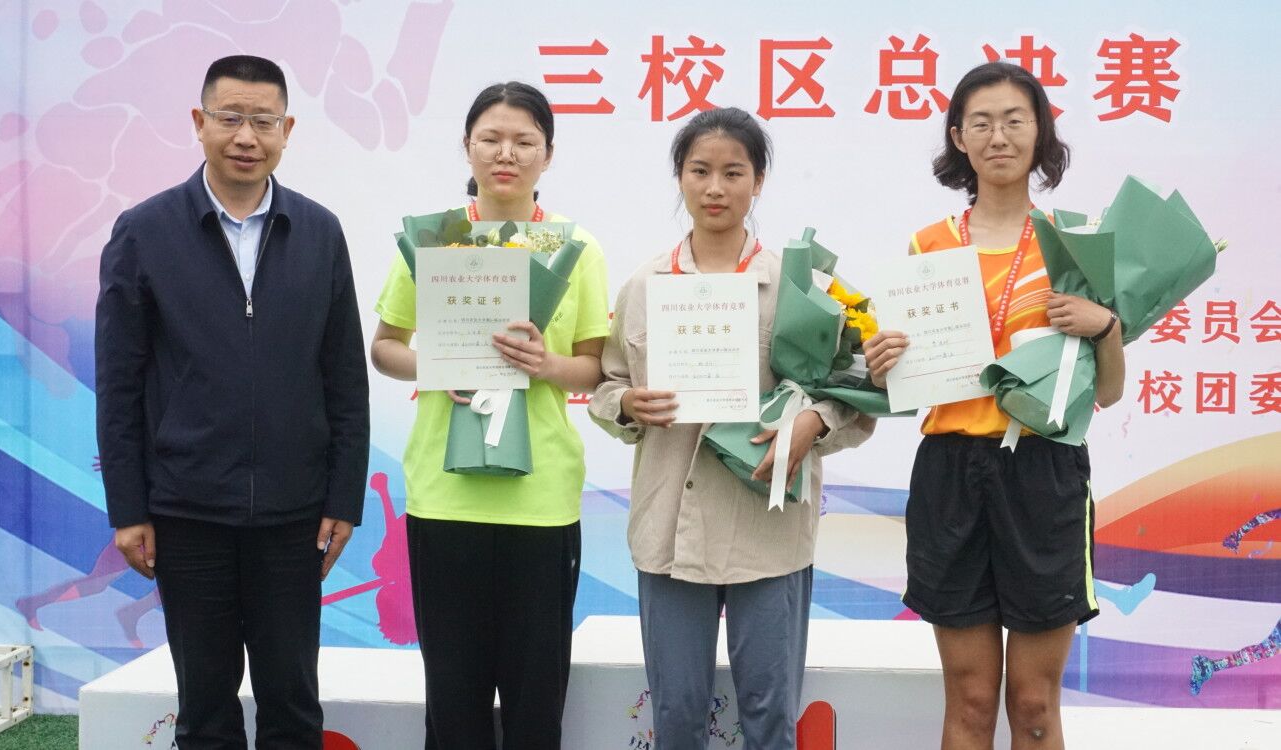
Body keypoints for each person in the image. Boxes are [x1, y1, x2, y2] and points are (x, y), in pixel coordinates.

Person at [95, 54, 370, 749]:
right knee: (205, 710)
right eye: (230, 118)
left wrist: (344, 498)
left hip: (294, 516)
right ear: (200, 122)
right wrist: (129, 509)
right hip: (187, 513)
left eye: (264, 122)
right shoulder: (145, 231)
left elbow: (344, 378)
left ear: (287, 131)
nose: (247, 136)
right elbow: (119, 383)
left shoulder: (319, 231)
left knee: (293, 705)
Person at [589, 106, 875, 749]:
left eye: (733, 172)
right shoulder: (645, 285)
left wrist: (814, 422)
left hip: (767, 530)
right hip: (669, 530)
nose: (715, 188)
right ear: (680, 179)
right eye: (699, 171)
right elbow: (605, 386)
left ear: (759, 181)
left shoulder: (803, 288)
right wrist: (628, 404)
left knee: (770, 717)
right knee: (677, 715)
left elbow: (856, 396)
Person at [863, 62, 1127, 749]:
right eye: (979, 122)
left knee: (1033, 704)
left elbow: (1106, 393)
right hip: (950, 471)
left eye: (1014, 120)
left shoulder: (1074, 242)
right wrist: (883, 363)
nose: (998, 136)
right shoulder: (927, 246)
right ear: (958, 137)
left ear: (1039, 133)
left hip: (1043, 473)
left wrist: (1105, 328)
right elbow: (906, 386)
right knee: (971, 699)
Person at [369, 81, 609, 749]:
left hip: (541, 499)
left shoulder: (576, 248)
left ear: (547, 154)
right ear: (467, 147)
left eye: (524, 141)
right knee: (453, 698)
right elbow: (385, 348)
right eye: (491, 139)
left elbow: (594, 366)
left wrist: (545, 364)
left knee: (536, 701)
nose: (507, 154)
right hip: (445, 496)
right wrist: (437, 366)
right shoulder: (433, 240)